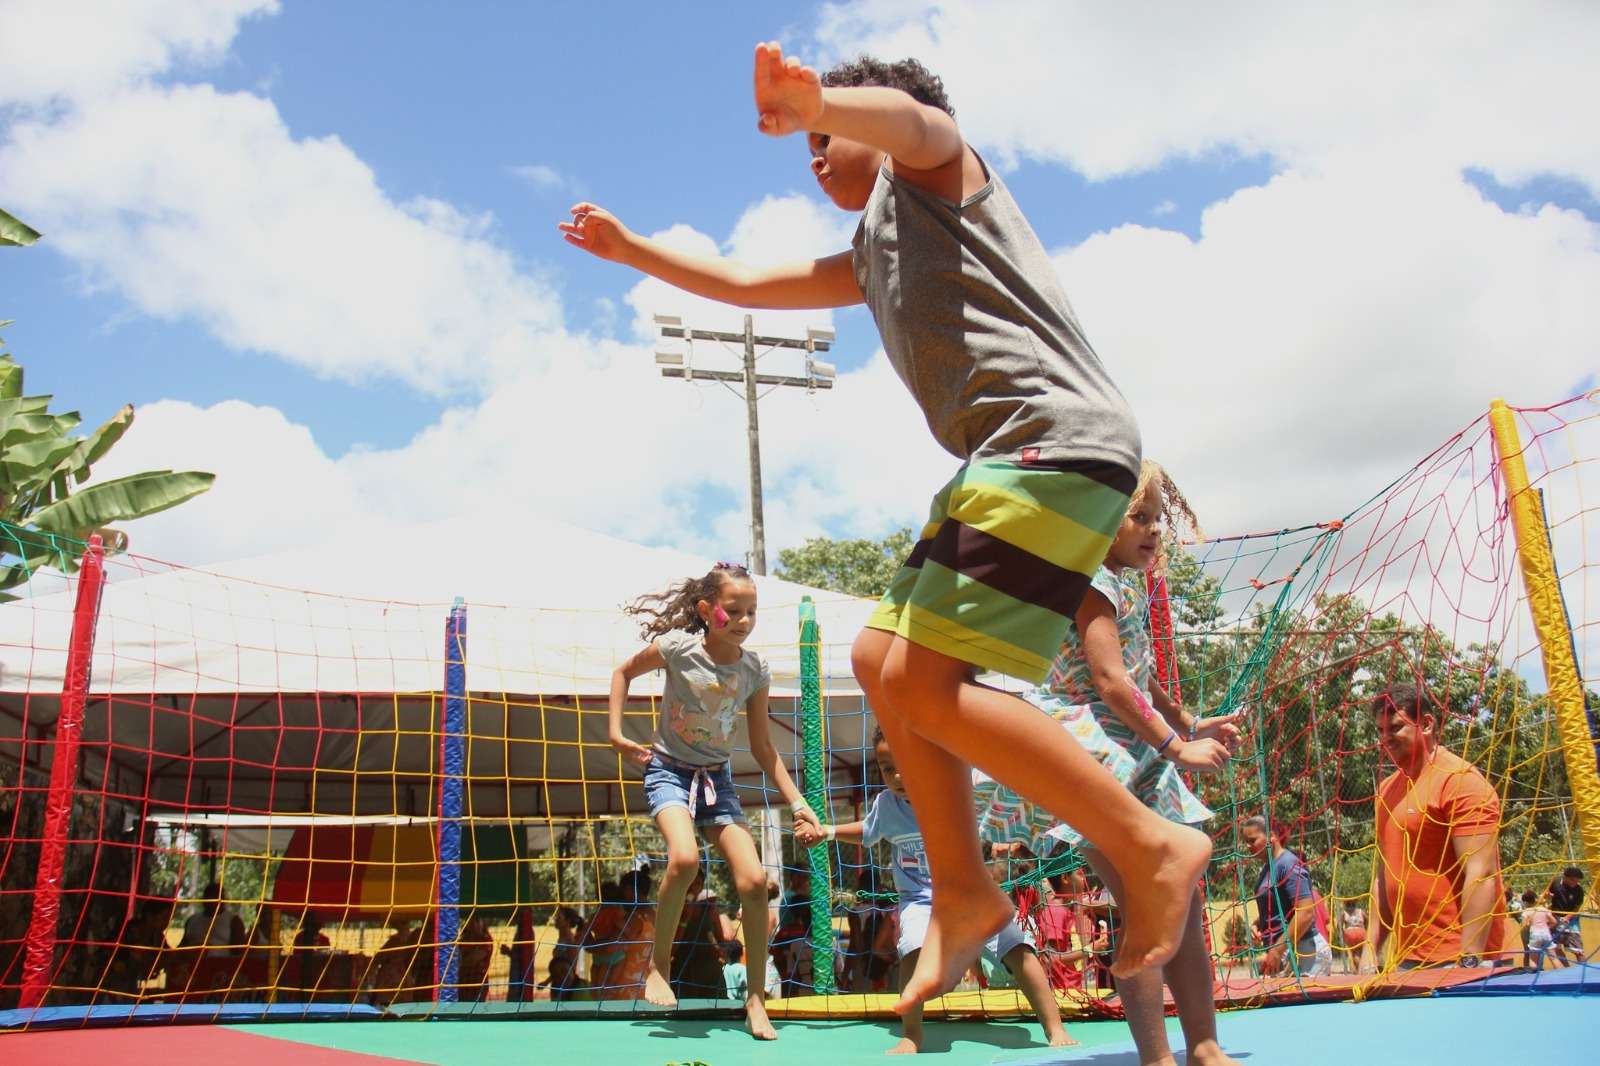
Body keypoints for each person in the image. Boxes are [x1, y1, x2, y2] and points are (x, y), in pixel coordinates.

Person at [559, 43, 1215, 1014]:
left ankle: (1148, 839)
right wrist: (634, 251)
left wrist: (820, 98)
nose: (818, 152)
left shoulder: (937, 178)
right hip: (1007, 458)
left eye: (831, 138)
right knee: (882, 661)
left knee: (914, 674)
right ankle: (960, 886)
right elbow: (746, 282)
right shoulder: (870, 255)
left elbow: (921, 125)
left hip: (1050, 439)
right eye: (809, 144)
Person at [972, 460, 1241, 1066]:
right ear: (1100, 523)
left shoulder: (1127, 582)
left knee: (1183, 907)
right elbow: (1111, 681)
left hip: (1136, 749)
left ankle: (1202, 1044)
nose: (1151, 531)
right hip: (1094, 752)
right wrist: (1178, 747)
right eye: (1138, 518)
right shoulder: (1092, 578)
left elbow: (1141, 678)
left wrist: (1189, 723)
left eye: (1155, 519)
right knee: (1146, 906)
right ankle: (1157, 1056)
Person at [607, 563, 823, 1039]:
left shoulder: (753, 669)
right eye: (733, 611)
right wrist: (617, 734)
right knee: (683, 860)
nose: (744, 620)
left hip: (716, 781)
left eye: (751, 612)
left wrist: (798, 801)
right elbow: (622, 673)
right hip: (668, 770)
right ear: (707, 611)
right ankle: (658, 965)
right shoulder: (678, 649)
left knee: (752, 882)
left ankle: (756, 1000)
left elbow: (764, 749)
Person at [824, 727, 1075, 1054]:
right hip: (922, 901)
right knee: (913, 951)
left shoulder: (956, 787)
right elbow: (867, 832)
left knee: (1019, 949)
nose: (898, 775)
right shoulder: (887, 806)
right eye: (888, 769)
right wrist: (828, 830)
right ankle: (911, 1035)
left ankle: (1054, 1026)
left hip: (972, 896)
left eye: (905, 763)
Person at [1369, 683, 1512, 969]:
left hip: (1458, 959)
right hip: (1408, 959)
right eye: (1380, 731)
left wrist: (1469, 959)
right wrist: (1370, 952)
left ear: (1426, 724)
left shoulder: (1460, 780)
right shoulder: (1386, 790)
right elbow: (1384, 877)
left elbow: (1481, 873)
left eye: (1395, 728)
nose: (1386, 738)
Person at [1242, 816, 1332, 980]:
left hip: (1305, 951)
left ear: (1272, 836)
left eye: (1252, 840)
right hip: (1285, 950)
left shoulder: (1288, 863)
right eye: (1245, 841)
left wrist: (1277, 950)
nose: (1248, 846)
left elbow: (1305, 913)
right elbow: (1281, 907)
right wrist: (1259, 923)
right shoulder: (1267, 868)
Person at [583, 868, 656, 1000]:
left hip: (624, 993)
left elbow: (610, 947)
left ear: (629, 890)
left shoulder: (634, 918)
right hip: (646, 988)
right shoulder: (655, 916)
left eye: (622, 890)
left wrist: (588, 944)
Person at [672, 866, 728, 999]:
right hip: (683, 974)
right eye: (689, 882)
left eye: (697, 883)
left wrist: (722, 950)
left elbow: (721, 940)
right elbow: (671, 950)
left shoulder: (709, 909)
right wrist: (684, 919)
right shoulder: (672, 909)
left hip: (710, 974)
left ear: (702, 886)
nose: (692, 887)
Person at [1546, 866, 1586, 964]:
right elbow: (1547, 892)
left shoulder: (1579, 890)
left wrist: (1568, 917)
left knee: (1578, 949)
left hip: (1571, 920)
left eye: (1577, 881)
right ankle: (1565, 969)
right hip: (1555, 918)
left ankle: (1583, 969)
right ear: (1565, 877)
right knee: (1556, 946)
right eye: (1573, 880)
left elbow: (1577, 908)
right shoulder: (1556, 882)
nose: (1575, 883)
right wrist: (1547, 895)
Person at [1521, 891, 1557, 971]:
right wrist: (1547, 927)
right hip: (1546, 933)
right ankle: (1563, 975)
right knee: (1554, 958)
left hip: (1534, 934)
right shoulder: (1543, 909)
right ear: (1535, 899)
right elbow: (1554, 922)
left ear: (1525, 902)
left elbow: (1525, 925)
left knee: (1532, 958)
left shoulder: (1526, 911)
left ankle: (1532, 974)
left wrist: (1530, 926)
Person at [1338, 900, 1369, 974]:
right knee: (1362, 952)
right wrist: (1366, 930)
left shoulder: (1344, 913)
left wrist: (1342, 934)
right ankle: (1361, 969)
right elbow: (1367, 920)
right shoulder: (1361, 911)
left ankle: (1358, 969)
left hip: (1350, 933)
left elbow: (1339, 925)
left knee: (1355, 953)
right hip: (1361, 932)